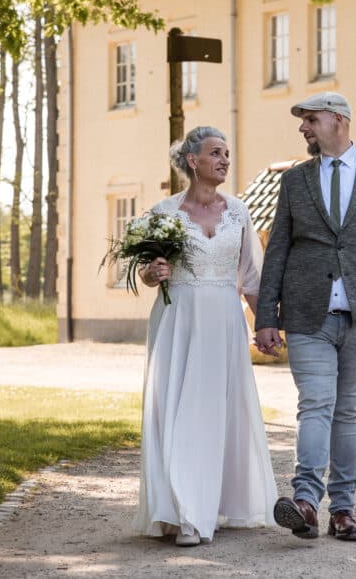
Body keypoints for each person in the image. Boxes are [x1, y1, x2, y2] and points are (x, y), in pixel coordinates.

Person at [254, 92, 356, 542]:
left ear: (338, 120)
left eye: (310, 119)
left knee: (348, 412)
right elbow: (278, 249)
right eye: (303, 121)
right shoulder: (294, 181)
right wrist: (267, 315)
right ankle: (305, 502)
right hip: (307, 315)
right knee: (316, 406)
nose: (303, 128)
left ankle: (343, 509)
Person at [133, 126, 278, 547]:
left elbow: (251, 277)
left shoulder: (239, 213)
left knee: (217, 411)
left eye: (228, 154)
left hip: (224, 322)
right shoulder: (163, 212)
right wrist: (152, 272)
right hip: (179, 320)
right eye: (217, 153)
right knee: (181, 410)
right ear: (193, 161)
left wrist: (265, 324)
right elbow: (147, 272)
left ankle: (213, 501)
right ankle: (184, 512)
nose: (225, 161)